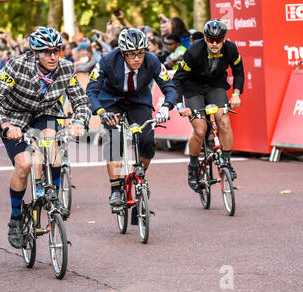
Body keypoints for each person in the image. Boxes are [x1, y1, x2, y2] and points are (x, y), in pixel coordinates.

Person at [0, 27, 92, 249]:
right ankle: (15, 218)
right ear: (35, 53)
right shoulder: (16, 66)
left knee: (50, 145)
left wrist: (80, 122)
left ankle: (52, 197)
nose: (53, 57)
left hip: (46, 114)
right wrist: (5, 125)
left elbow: (81, 102)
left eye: (56, 51)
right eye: (46, 52)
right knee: (24, 164)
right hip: (15, 119)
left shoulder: (66, 68)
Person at [86, 28, 177, 208]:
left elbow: (170, 87)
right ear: (122, 53)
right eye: (131, 54)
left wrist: (166, 107)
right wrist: (101, 112)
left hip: (138, 101)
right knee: (114, 140)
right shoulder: (107, 61)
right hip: (111, 101)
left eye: (141, 53)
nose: (137, 58)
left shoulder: (152, 61)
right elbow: (91, 90)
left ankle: (140, 176)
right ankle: (116, 190)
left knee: (147, 139)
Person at [173, 19, 244, 192]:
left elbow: (239, 72)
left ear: (224, 39)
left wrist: (236, 94)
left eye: (218, 40)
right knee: (200, 129)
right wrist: (178, 105)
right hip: (193, 89)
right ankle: (193, 166)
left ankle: (226, 161)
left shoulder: (231, 49)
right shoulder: (194, 51)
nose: (214, 43)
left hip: (215, 86)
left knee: (224, 121)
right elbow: (178, 79)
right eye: (210, 39)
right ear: (204, 38)